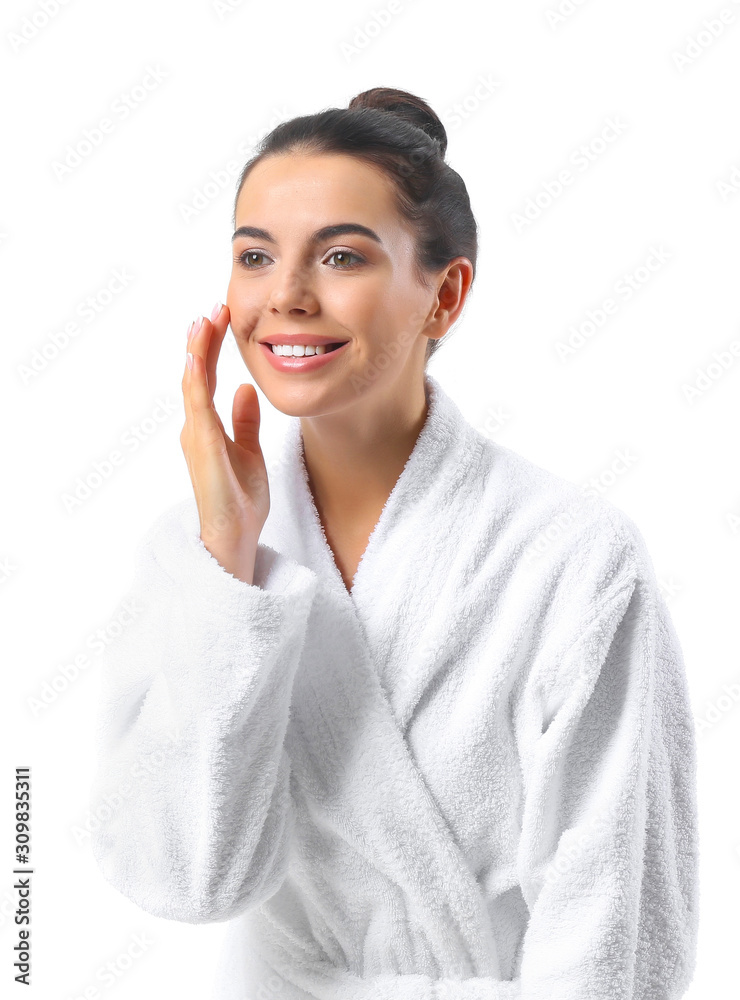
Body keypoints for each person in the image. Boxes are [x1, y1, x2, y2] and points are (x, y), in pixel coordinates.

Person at [90, 87, 699, 1000]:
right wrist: (230, 560)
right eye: (255, 257)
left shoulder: (574, 558)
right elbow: (187, 881)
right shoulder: (196, 560)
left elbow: (620, 935)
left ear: (445, 293)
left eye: (340, 256)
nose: (287, 296)